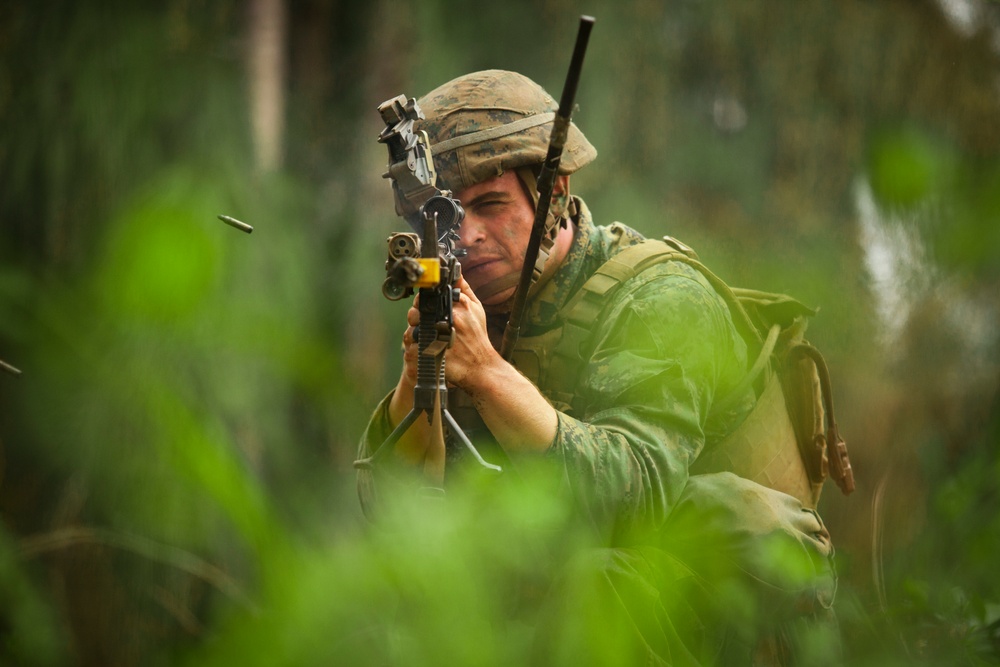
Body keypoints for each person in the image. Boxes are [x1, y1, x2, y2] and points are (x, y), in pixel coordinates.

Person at [357, 69, 839, 665]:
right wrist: (420, 375)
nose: (468, 237)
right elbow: (397, 511)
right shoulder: (477, 306)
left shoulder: (657, 298)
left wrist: (485, 372)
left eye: (490, 205)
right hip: (567, 602)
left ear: (553, 191)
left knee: (596, 586)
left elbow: (631, 498)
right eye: (448, 218)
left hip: (712, 606)